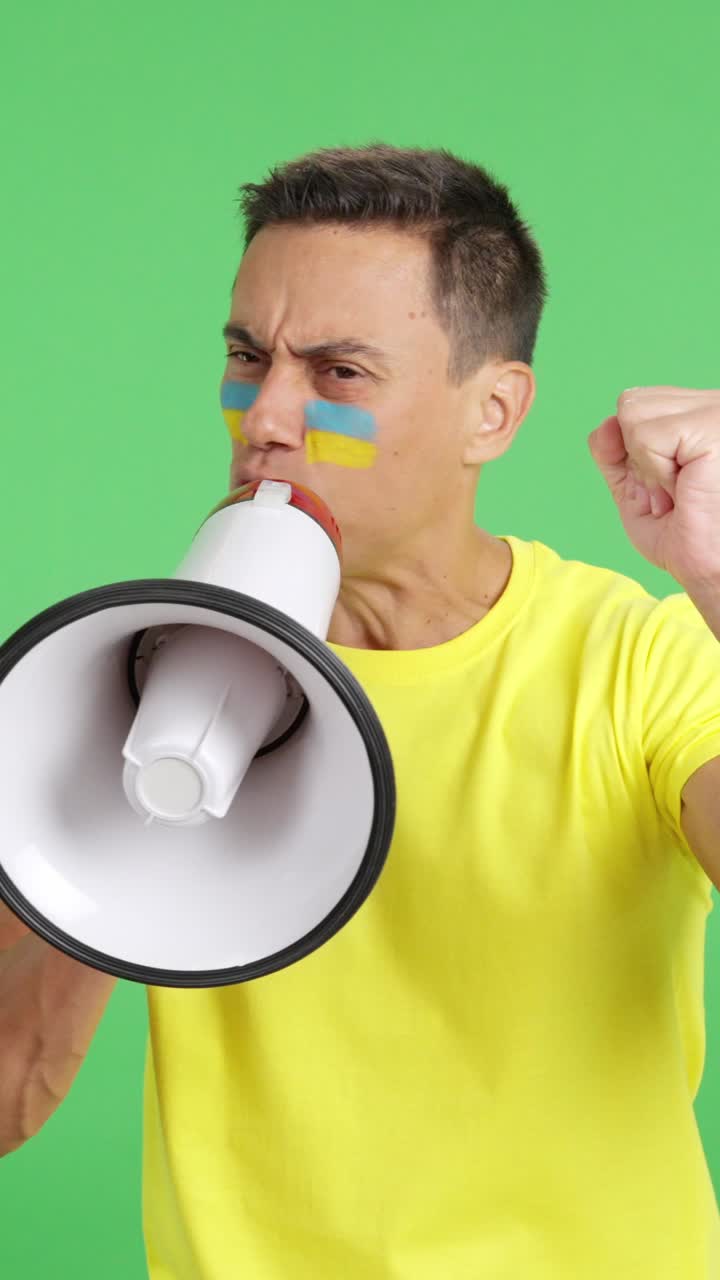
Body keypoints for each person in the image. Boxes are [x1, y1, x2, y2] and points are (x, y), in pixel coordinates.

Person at [3, 142, 720, 1278]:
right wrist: (104, 806)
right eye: (247, 357)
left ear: (492, 411)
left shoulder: (640, 659)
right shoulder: (97, 684)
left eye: (338, 373)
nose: (265, 416)